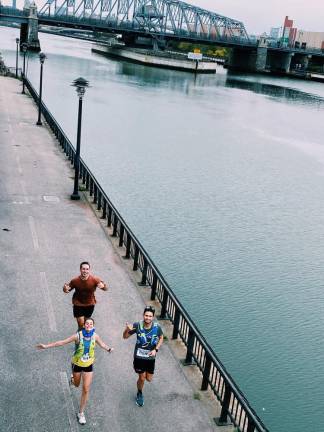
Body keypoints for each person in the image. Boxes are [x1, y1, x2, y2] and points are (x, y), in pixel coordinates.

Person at [36, 317, 113, 425]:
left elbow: (102, 344)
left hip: (88, 366)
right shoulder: (78, 336)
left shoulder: (95, 336)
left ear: (93, 326)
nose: (89, 325)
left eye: (91, 324)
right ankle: (72, 380)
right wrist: (46, 346)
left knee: (85, 389)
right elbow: (62, 342)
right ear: (84, 325)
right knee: (77, 385)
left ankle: (81, 413)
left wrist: (109, 349)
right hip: (77, 364)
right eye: (87, 324)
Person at [123, 305, 163, 407]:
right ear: (143, 315)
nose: (148, 318)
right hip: (139, 357)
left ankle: (142, 383)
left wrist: (156, 349)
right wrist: (127, 329)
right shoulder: (137, 325)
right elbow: (125, 337)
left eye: (150, 316)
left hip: (150, 358)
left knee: (148, 379)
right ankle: (139, 393)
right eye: (146, 315)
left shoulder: (157, 327)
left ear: (153, 317)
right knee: (142, 378)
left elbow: (161, 338)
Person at [63, 261, 108, 329]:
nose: (85, 271)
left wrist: (104, 286)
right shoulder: (75, 281)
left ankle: (84, 336)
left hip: (90, 304)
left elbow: (106, 289)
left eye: (87, 269)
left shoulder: (95, 279)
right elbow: (67, 290)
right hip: (78, 304)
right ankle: (79, 336)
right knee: (81, 324)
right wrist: (65, 289)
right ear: (80, 270)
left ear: (89, 270)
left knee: (86, 323)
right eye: (83, 269)